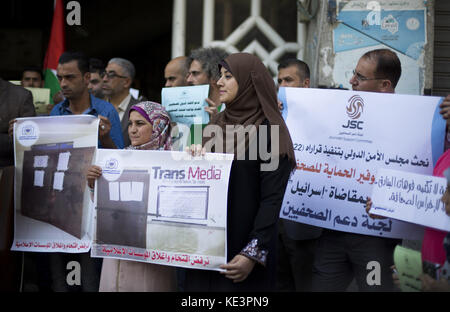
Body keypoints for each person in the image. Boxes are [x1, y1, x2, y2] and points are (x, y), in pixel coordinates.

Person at [184, 52, 295, 291]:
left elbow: (271, 201)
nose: (219, 82)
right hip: (205, 250)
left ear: (249, 82)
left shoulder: (270, 131)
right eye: (220, 76)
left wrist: (252, 253)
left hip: (242, 254)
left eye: (228, 76)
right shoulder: (216, 124)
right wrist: (194, 156)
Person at [311, 49, 402, 292]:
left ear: (384, 85)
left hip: (377, 239)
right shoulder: (337, 108)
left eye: (360, 77)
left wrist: (392, 203)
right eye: (354, 74)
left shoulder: (409, 122)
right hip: (333, 231)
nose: (351, 81)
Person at [48, 51, 124, 292]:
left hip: (93, 212)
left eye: (70, 77)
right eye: (60, 78)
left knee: (90, 281)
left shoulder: (106, 113)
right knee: (60, 281)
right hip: (60, 208)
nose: (63, 84)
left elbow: (121, 160)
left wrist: (106, 139)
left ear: (87, 77)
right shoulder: (55, 113)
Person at [86, 101, 176, 292]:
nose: (133, 130)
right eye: (130, 124)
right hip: (116, 251)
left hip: (152, 255)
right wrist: (95, 183)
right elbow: (102, 208)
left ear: (158, 126)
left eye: (140, 124)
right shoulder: (119, 160)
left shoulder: (174, 163)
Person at [275, 58, 321, 292]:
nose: (282, 86)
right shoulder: (273, 115)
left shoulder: (324, 115)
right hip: (276, 219)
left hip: (305, 221)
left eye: (288, 80)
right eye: (279, 80)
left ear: (305, 84)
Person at [102, 57, 139, 147]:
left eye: (111, 75)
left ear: (126, 82)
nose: (104, 79)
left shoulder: (140, 109)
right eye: (104, 74)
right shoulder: (96, 107)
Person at [187, 47, 229, 116]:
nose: (188, 80)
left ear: (214, 76)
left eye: (195, 73)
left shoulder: (235, 112)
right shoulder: (192, 111)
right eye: (189, 74)